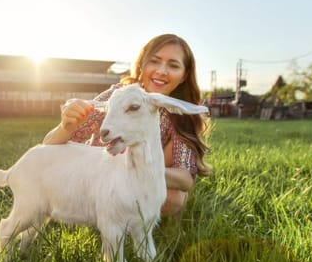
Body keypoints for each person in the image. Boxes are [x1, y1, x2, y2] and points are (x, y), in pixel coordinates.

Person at [43, 34, 212, 217]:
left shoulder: (180, 116)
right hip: (98, 183)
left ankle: (135, 219)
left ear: (183, 76)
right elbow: (48, 145)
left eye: (173, 65)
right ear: (142, 65)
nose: (162, 71)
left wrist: (137, 168)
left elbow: (185, 180)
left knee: (175, 198)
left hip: (138, 182)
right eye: (154, 61)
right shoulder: (117, 96)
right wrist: (66, 126)